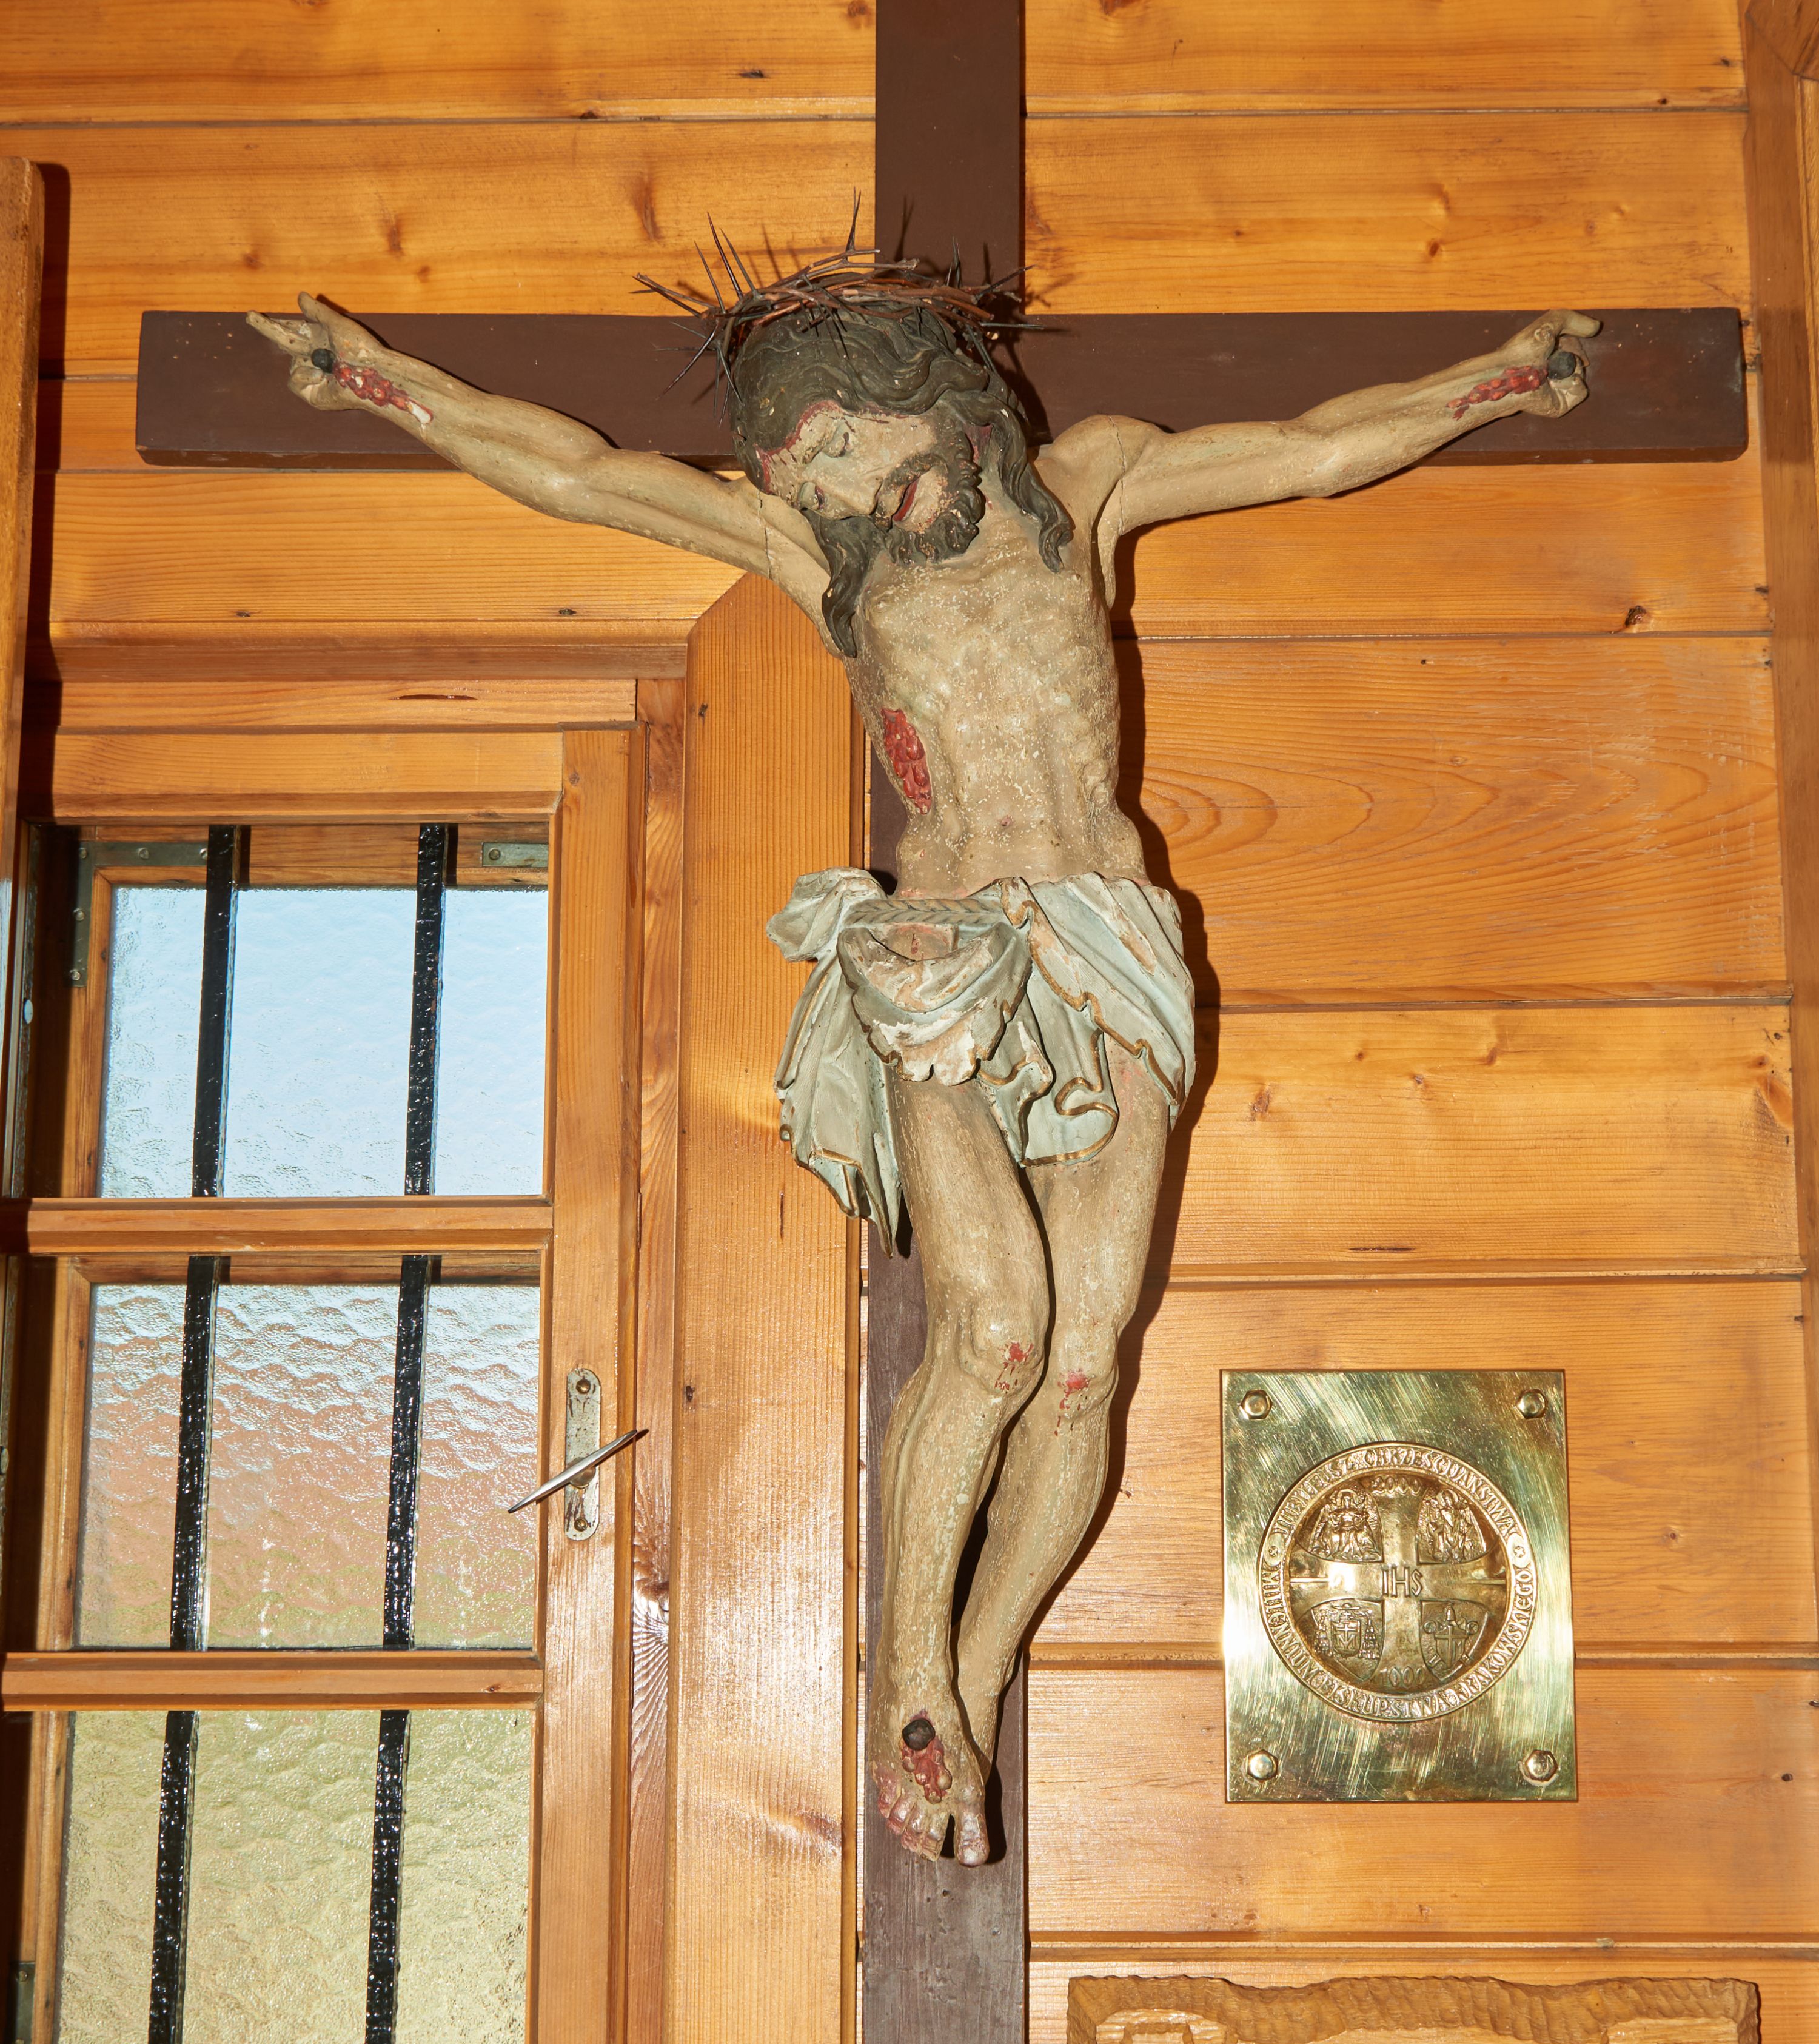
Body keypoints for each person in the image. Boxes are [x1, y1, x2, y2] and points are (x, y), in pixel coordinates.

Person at [252, 266, 1593, 1863]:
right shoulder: (816, 556)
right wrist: (378, 380)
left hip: (1111, 946)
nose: (837, 498)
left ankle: (974, 1677)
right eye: (807, 481)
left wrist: (1500, 379)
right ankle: (910, 1682)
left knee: (1085, 1363)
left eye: (844, 453)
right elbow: (584, 476)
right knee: (998, 1330)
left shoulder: (1087, 488)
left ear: (926, 397)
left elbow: (1310, 450)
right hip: (944, 958)